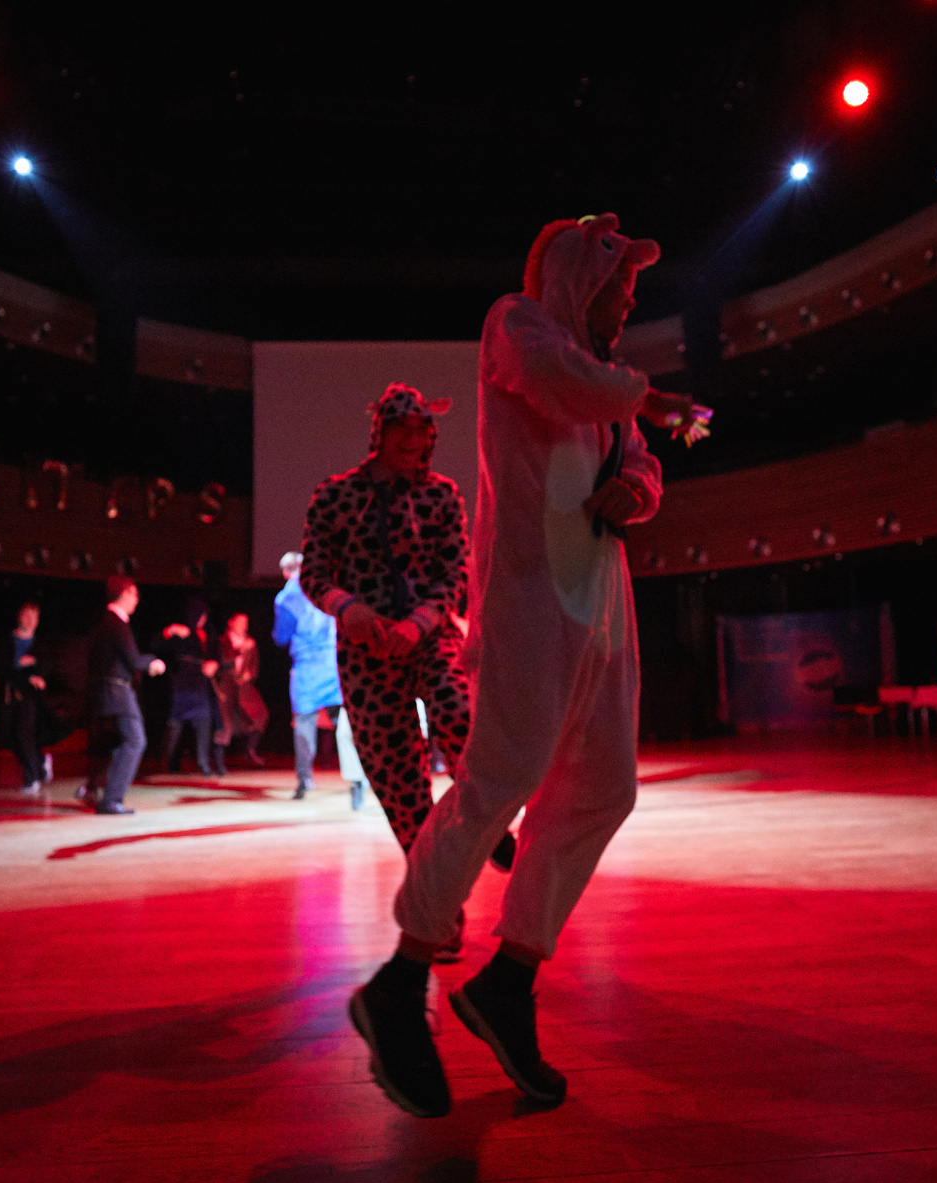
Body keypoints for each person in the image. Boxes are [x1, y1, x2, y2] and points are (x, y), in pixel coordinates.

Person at [348, 214, 697, 1117]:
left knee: (604, 791)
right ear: (582, 278)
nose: (630, 304)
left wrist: (638, 488)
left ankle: (509, 979)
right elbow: (560, 384)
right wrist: (643, 397)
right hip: (533, 600)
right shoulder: (520, 324)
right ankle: (401, 981)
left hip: (601, 607)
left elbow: (641, 459)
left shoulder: (607, 383)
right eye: (622, 288)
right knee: (499, 780)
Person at [301, 383, 518, 880]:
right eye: (400, 427)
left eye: (421, 430)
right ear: (380, 431)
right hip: (365, 651)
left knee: (461, 718)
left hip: (430, 638)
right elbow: (314, 573)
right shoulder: (334, 495)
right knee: (398, 781)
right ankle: (434, 899)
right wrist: (348, 609)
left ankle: (489, 825)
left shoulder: (441, 495)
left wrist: (419, 624)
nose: (411, 439)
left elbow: (455, 572)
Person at [272, 551, 367, 805]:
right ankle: (357, 780)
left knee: (304, 724)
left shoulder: (286, 598)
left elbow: (281, 637)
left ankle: (304, 781)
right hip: (334, 664)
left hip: (307, 669)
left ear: (286, 572)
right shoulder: (329, 590)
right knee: (345, 724)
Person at [86, 575, 166, 814]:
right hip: (117, 692)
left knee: (120, 742)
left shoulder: (105, 622)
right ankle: (111, 799)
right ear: (123, 593)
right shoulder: (117, 623)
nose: (137, 599)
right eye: (134, 593)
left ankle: (93, 786)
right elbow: (133, 659)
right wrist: (153, 662)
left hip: (107, 691)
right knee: (135, 740)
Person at [0, 601, 51, 797]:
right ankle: (40, 764)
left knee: (24, 734)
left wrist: (37, 672)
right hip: (10, 694)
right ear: (19, 617)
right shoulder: (6, 640)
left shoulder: (39, 643)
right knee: (10, 737)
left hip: (30, 696)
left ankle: (31, 778)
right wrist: (19, 666)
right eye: (27, 616)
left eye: (34, 617)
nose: (30, 621)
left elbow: (47, 665)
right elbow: (0, 667)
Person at [161, 599, 222, 776]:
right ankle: (170, 762)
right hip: (182, 685)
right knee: (176, 725)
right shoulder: (183, 631)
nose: (203, 618)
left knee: (204, 723)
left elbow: (216, 656)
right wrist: (170, 631)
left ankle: (203, 763)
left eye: (205, 615)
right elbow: (158, 644)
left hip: (201, 686)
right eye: (201, 615)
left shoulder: (209, 632)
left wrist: (214, 664)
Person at [215, 612, 269, 767]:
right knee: (225, 723)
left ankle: (250, 750)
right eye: (240, 622)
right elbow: (221, 663)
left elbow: (255, 666)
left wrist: (249, 674)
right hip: (226, 686)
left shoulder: (250, 642)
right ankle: (219, 761)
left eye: (246, 623)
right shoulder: (222, 641)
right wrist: (240, 650)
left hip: (244, 688)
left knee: (260, 714)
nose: (244, 626)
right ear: (231, 623)